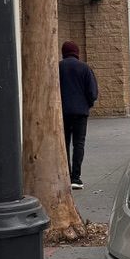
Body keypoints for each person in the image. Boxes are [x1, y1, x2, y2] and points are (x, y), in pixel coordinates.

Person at [58, 40, 98, 190]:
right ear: (77, 52)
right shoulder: (85, 68)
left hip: (62, 112)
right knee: (78, 143)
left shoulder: (58, 68)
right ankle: (76, 177)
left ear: (63, 52)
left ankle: (66, 175)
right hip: (80, 112)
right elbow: (92, 91)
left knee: (64, 144)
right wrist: (88, 104)